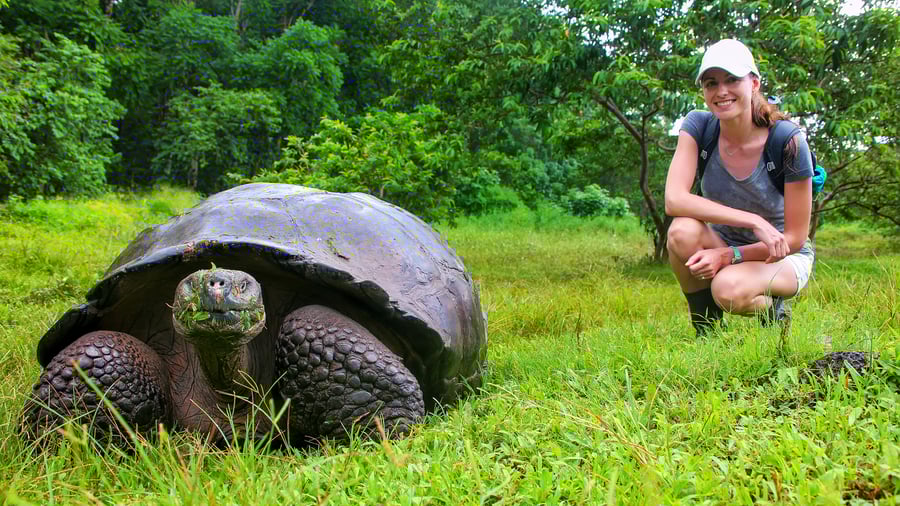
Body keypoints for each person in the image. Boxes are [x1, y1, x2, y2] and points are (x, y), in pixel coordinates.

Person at [664, 39, 815, 336]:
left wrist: (729, 256)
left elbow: (795, 238)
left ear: (754, 83)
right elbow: (674, 199)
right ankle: (707, 332)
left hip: (781, 256)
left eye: (732, 79)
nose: (721, 91)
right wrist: (753, 220)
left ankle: (773, 313)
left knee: (728, 289)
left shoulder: (787, 140)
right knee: (681, 231)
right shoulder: (699, 127)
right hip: (724, 241)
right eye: (711, 83)